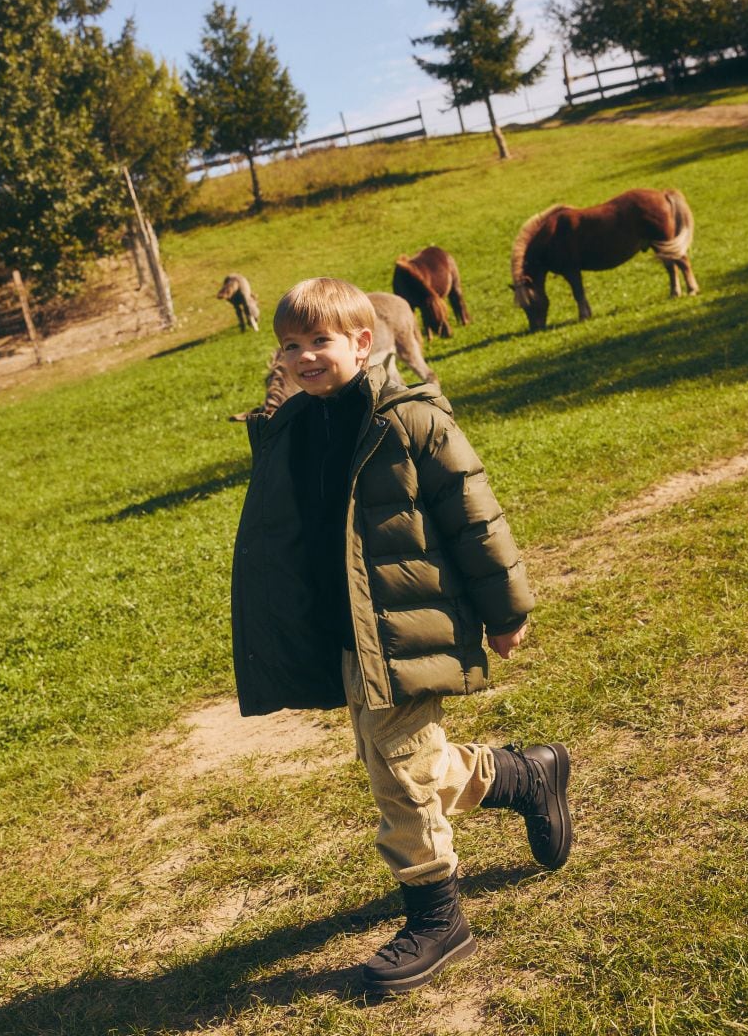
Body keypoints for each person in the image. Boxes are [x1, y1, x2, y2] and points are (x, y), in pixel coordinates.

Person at [231, 277, 571, 995]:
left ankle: (437, 918)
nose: (304, 357)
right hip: (346, 629)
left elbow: (475, 517)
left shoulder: (409, 420)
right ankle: (523, 774)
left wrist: (506, 612)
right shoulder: (297, 424)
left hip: (405, 624)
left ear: (362, 341)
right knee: (404, 761)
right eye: (291, 345)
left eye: (319, 342)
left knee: (400, 774)